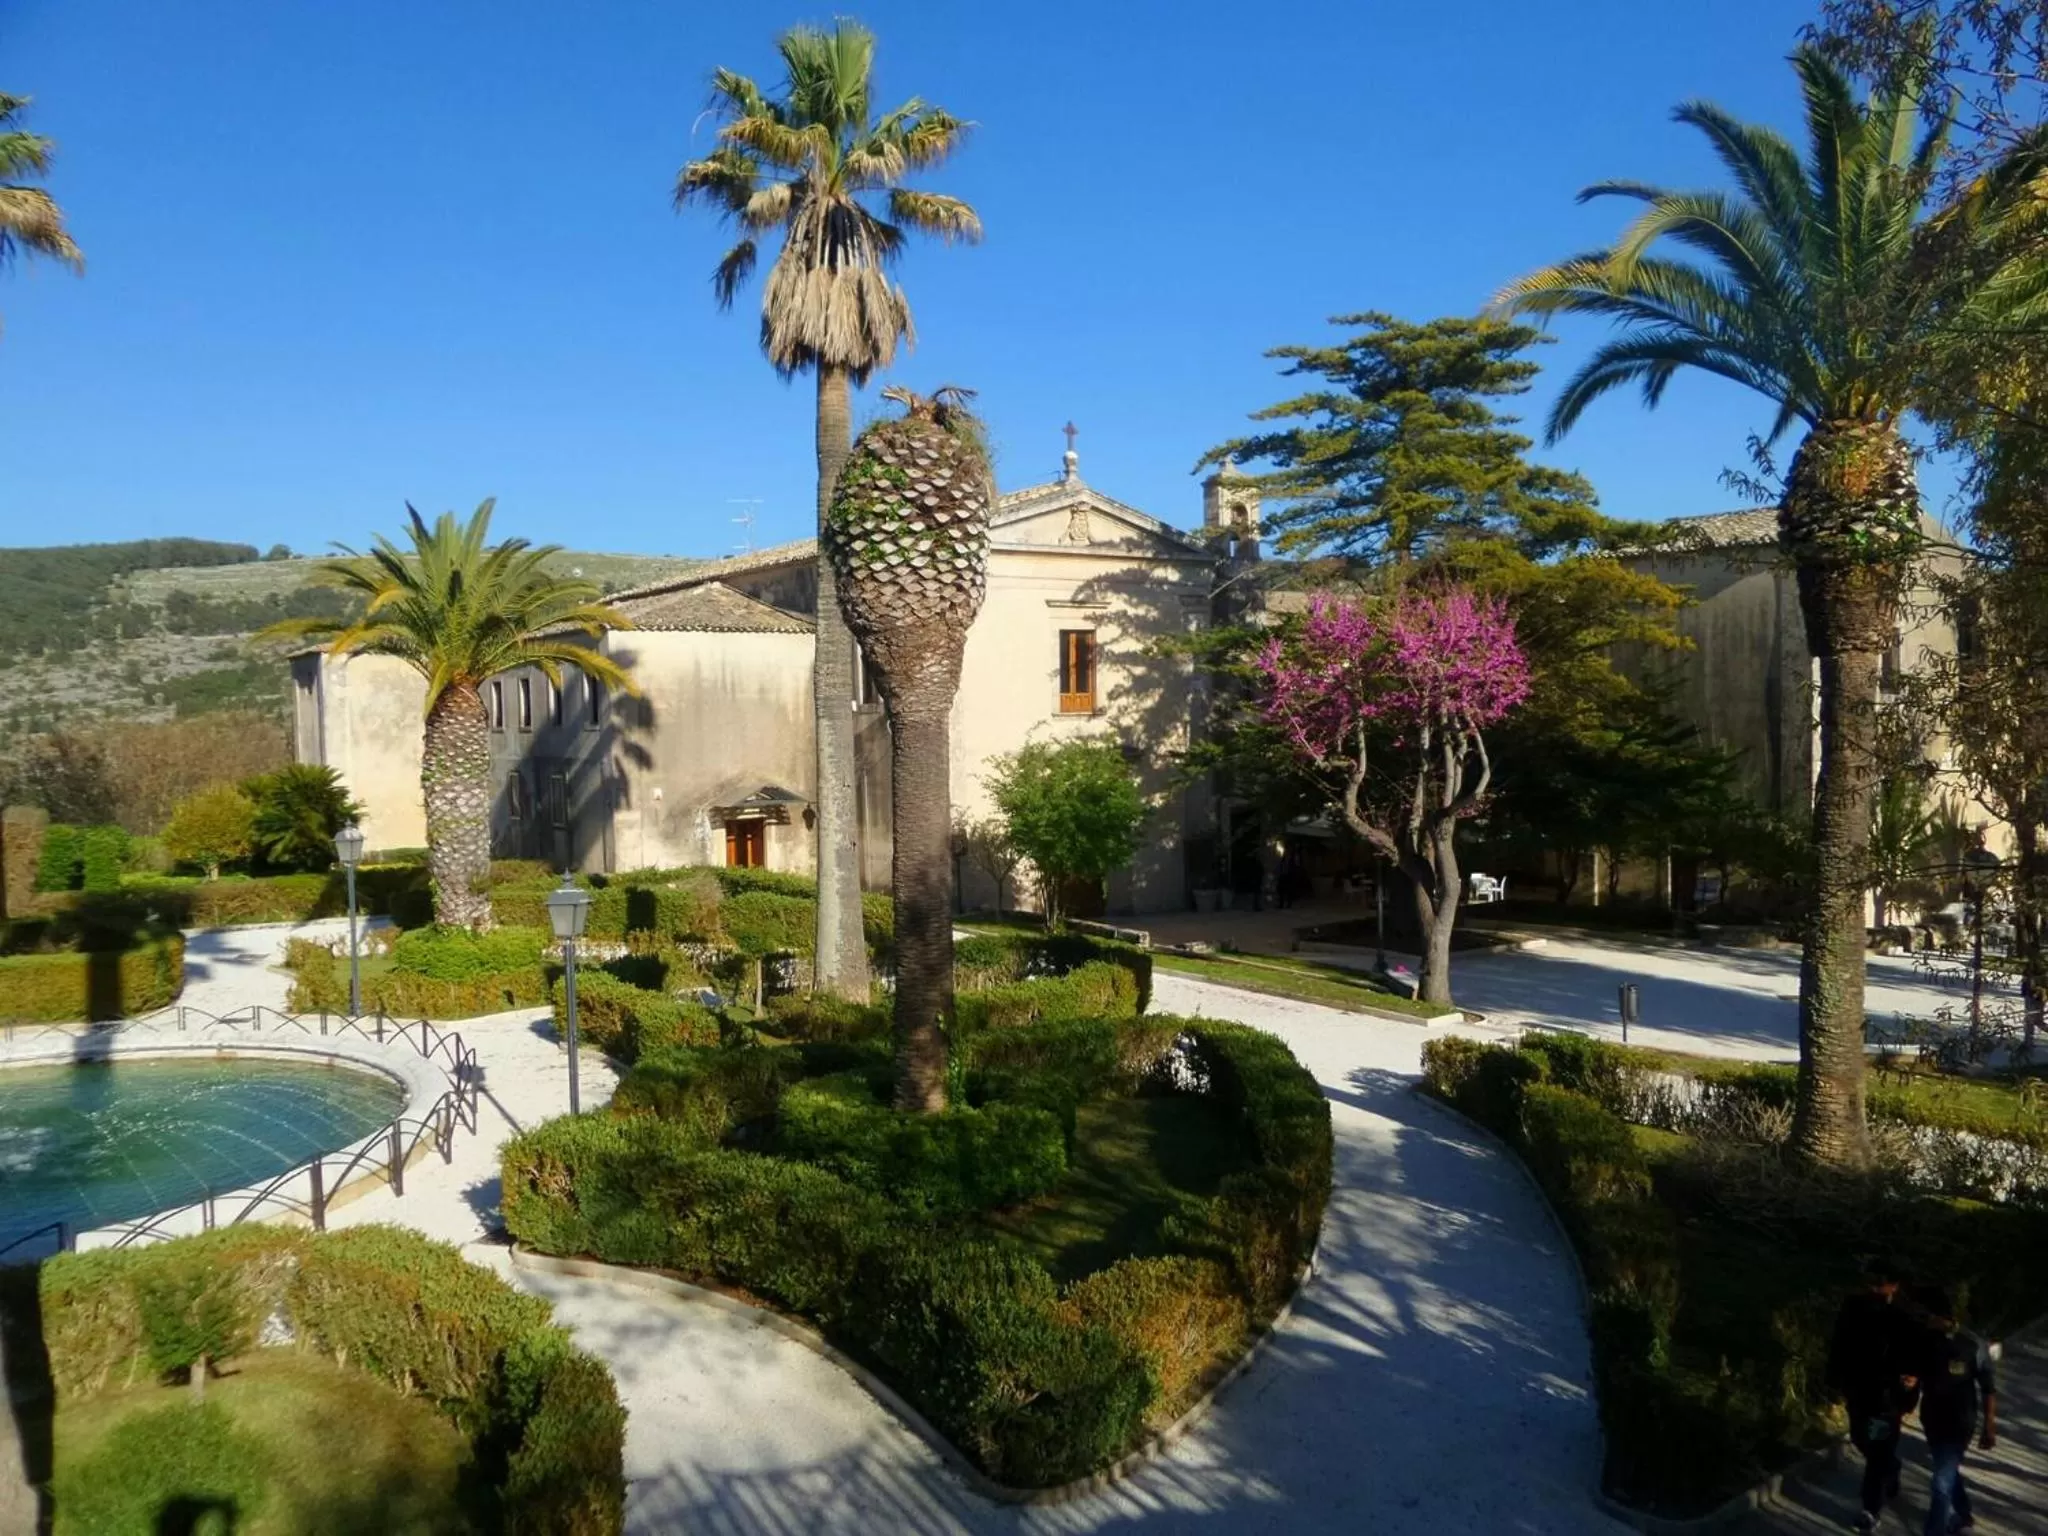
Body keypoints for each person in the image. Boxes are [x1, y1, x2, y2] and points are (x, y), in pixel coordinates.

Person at [1826, 1257, 1916, 1532]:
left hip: (1888, 1398)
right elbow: (1840, 1342)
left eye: (1883, 1283)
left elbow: (1916, 1352)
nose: (1877, 1287)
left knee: (1877, 1453)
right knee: (1860, 1438)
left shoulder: (1904, 1315)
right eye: (1874, 1282)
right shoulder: (1853, 1307)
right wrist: (1834, 1380)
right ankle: (1892, 1466)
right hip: (1859, 1389)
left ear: (1894, 1286)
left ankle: (1870, 1509)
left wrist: (1911, 1383)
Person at [1910, 1287, 1997, 1536]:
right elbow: (1915, 1372)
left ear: (1942, 1315)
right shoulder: (1922, 1340)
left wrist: (1989, 1425)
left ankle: (1934, 1531)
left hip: (1960, 1421)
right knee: (1945, 1470)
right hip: (1932, 1419)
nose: (1924, 1320)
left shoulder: (1971, 1344)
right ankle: (1964, 1513)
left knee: (1940, 1483)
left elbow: (1988, 1388)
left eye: (1927, 1315)